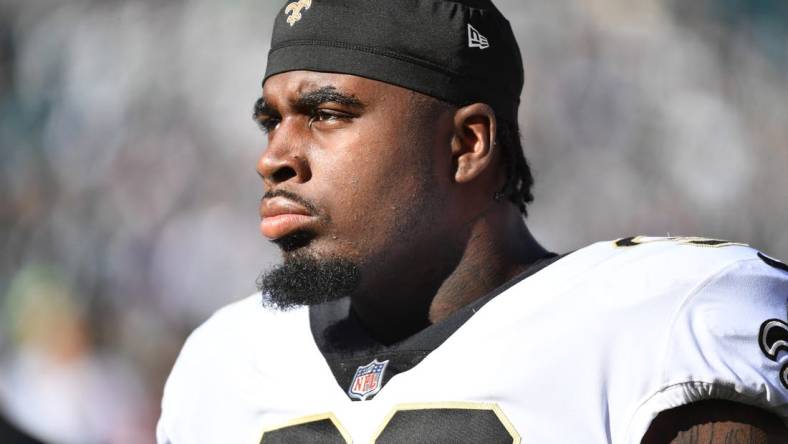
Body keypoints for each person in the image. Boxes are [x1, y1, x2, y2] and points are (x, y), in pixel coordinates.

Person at [157, 1, 788, 442]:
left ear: (467, 145)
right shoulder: (222, 364)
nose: (273, 158)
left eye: (324, 114)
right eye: (271, 121)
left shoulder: (662, 326)